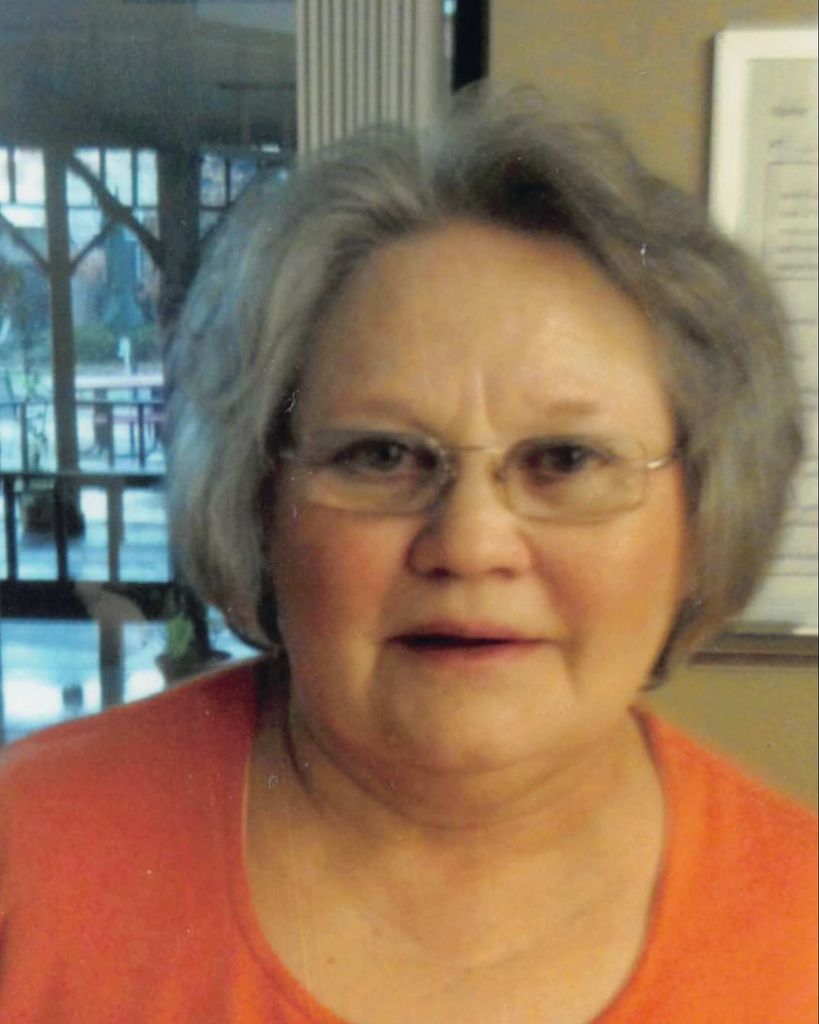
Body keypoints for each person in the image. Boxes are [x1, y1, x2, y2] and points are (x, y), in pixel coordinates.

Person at [0, 88, 815, 1023]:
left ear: (703, 517)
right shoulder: (23, 860)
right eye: (381, 456)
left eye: (564, 460)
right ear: (260, 502)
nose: (470, 544)